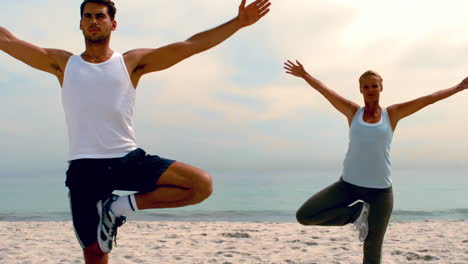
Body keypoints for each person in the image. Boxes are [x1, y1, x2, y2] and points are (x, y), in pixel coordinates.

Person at [0, 0, 271, 263]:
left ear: (113, 24)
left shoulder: (131, 62)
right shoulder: (63, 63)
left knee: (200, 185)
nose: (93, 21)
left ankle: (117, 208)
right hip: (84, 169)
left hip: (127, 160)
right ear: (80, 25)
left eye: (100, 16)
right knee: (95, 255)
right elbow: (8, 41)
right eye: (88, 16)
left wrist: (237, 23)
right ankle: (109, 214)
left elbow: (190, 46)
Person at [283, 60, 467, 264]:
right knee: (305, 215)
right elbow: (326, 92)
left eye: (374, 85)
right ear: (360, 90)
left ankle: (361, 214)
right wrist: (305, 74)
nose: (370, 90)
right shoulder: (353, 112)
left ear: (381, 87)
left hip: (381, 193)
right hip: (348, 186)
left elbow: (428, 99)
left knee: (372, 248)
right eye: (366, 86)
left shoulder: (392, 114)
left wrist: (459, 87)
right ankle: (356, 214)